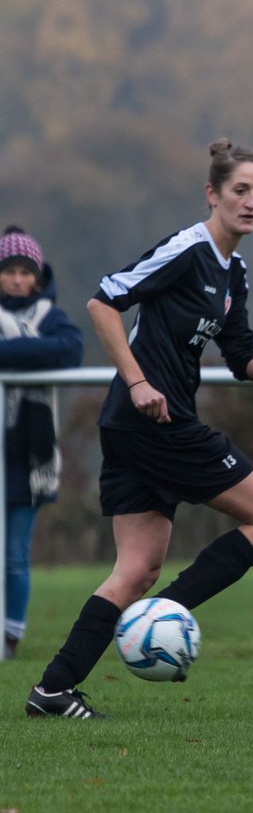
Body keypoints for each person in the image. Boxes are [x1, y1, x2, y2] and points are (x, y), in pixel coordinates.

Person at [24, 140, 253, 718]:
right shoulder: (188, 248)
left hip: (139, 427)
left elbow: (241, 360)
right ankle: (160, 622)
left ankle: (53, 690)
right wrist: (138, 383)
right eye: (240, 190)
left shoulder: (233, 273)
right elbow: (102, 302)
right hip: (151, 423)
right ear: (212, 193)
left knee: (135, 570)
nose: (252, 202)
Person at [1, 227, 84, 660]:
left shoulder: (52, 316)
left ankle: (10, 637)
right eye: (9, 271)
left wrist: (10, 351)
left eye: (24, 272)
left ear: (37, 276)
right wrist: (35, 352)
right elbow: (48, 352)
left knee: (16, 552)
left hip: (30, 456)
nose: (16, 279)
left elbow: (70, 350)